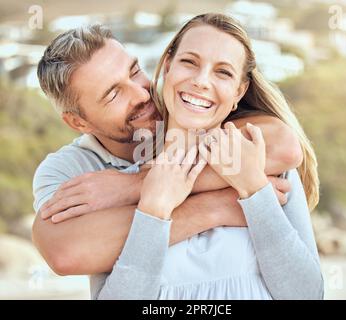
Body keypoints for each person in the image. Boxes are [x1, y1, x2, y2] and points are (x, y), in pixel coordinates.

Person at [32, 24, 302, 279]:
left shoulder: (191, 111)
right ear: (79, 122)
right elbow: (65, 252)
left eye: (134, 71)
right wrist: (215, 207)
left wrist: (133, 186)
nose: (140, 94)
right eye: (114, 94)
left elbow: (282, 146)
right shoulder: (67, 170)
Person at [88, 13, 323, 300]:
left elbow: (306, 295)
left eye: (222, 72)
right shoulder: (116, 185)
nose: (201, 81)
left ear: (239, 91)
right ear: (167, 66)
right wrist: (153, 208)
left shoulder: (266, 163)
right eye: (190, 62)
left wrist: (254, 190)